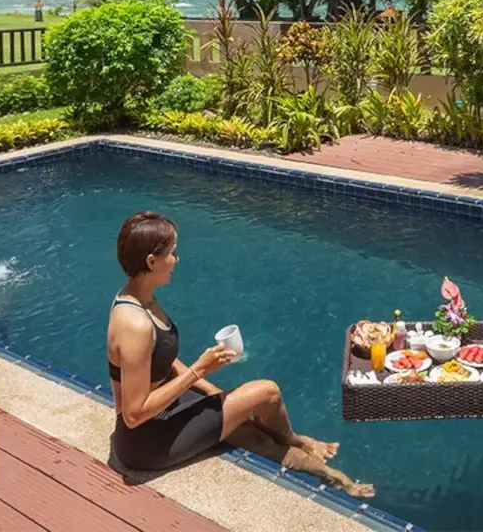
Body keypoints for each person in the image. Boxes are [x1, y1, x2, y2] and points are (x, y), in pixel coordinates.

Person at [106, 210, 375, 497]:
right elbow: (133, 414)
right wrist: (199, 370)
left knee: (250, 433)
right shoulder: (134, 324)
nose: (177, 259)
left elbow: (163, 360)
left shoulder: (139, 299)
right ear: (151, 261)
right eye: (172, 253)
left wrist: (213, 392)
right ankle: (296, 440)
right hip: (146, 443)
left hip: (163, 413)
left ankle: (328, 476)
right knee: (267, 393)